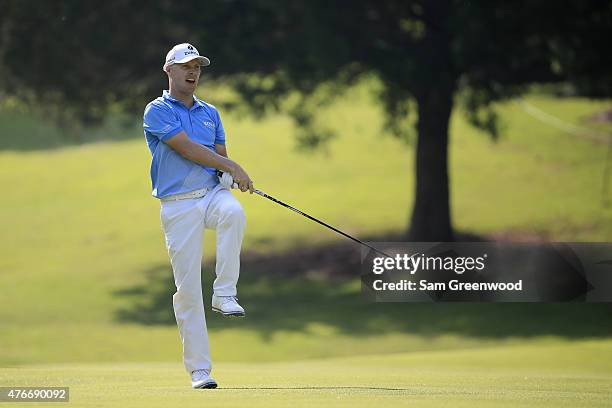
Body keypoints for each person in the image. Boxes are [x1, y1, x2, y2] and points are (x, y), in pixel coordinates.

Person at [143, 43, 254, 389]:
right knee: (187, 290)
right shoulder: (156, 111)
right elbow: (188, 149)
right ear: (169, 70)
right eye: (186, 66)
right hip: (177, 205)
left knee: (233, 212)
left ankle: (224, 293)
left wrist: (227, 174)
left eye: (197, 67)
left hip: (210, 195)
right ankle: (200, 371)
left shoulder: (211, 112)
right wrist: (231, 166)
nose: (193, 72)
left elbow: (218, 156)